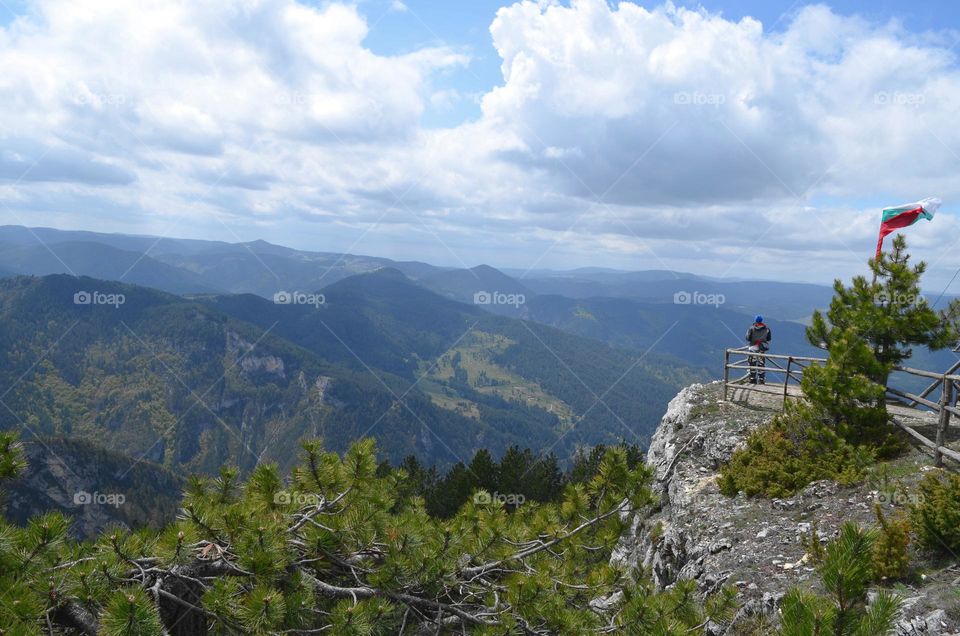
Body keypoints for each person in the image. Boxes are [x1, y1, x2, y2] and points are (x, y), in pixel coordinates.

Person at [745, 315, 772, 384]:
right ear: (761, 320)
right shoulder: (767, 329)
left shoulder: (751, 328)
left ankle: (752, 379)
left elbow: (748, 338)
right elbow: (769, 338)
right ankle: (761, 379)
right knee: (761, 363)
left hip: (753, 347)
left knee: (752, 363)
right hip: (762, 347)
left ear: (755, 320)